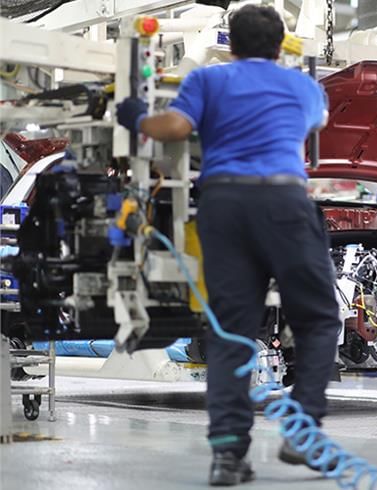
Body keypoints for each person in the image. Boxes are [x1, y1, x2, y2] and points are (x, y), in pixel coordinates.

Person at [116, 5, 341, 485]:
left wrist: (136, 115)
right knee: (319, 318)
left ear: (231, 45)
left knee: (231, 331)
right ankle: (303, 432)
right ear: (280, 46)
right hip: (284, 203)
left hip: (224, 207)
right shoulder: (303, 85)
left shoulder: (207, 80)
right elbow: (318, 121)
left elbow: (174, 129)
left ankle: (227, 455)